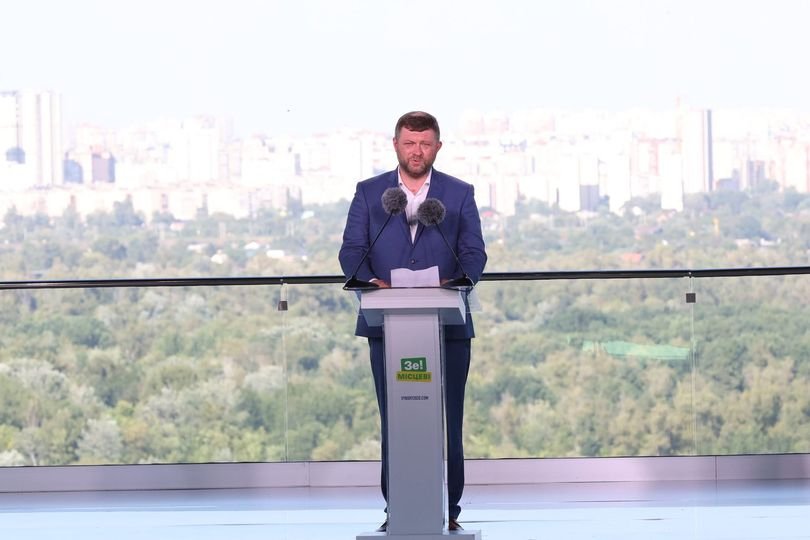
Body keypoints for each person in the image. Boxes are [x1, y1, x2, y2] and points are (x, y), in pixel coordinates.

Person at [338, 111, 487, 532]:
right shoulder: (370, 193)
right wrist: (371, 281)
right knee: (395, 419)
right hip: (388, 325)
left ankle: (450, 510)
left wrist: (457, 281)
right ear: (396, 145)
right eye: (409, 143)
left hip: (448, 325)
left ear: (437, 147)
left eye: (424, 144)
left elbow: (473, 252)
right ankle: (396, 509)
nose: (416, 151)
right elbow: (352, 250)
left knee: (449, 420)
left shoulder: (459, 193)